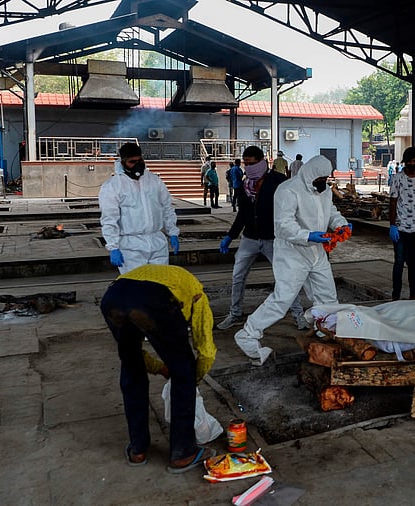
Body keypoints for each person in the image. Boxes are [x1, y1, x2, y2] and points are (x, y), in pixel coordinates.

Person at [233, 155, 352, 362]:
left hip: (316, 251)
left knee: (327, 295)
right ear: (310, 174)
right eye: (320, 178)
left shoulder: (323, 190)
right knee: (283, 299)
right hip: (292, 253)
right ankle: (248, 334)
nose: (323, 182)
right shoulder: (288, 190)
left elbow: (330, 212)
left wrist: (341, 224)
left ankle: (326, 331)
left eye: (326, 178)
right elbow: (283, 225)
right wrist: (307, 235)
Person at [100, 264, 217, 473]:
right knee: (183, 370)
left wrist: (161, 368)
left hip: (113, 298)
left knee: (130, 365)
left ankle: (138, 449)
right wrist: (192, 378)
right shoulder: (197, 293)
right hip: (154, 302)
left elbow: (135, 354)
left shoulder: (167, 276)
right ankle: (183, 453)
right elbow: (206, 351)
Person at [217, 146, 308, 332]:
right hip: (249, 238)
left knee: (285, 278)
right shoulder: (244, 185)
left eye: (252, 163)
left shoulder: (279, 182)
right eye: (246, 164)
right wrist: (230, 235)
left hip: (274, 239)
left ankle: (298, 314)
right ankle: (235, 314)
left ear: (262, 161)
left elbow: (293, 210)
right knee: (237, 276)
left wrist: (298, 233)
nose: (249, 167)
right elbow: (242, 214)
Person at [99, 142, 180, 275]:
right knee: (136, 288)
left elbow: (167, 208)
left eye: (139, 160)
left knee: (159, 285)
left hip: (157, 242)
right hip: (130, 247)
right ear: (123, 162)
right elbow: (109, 218)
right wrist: (113, 246)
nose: (137, 165)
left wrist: (173, 232)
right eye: (132, 162)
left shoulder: (154, 181)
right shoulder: (113, 186)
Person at [388, 146, 415, 301]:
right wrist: (392, 224)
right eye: (411, 161)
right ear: (405, 162)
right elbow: (392, 202)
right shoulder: (397, 178)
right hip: (400, 227)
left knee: (414, 262)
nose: (414, 164)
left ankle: (414, 292)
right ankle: (396, 294)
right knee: (399, 261)